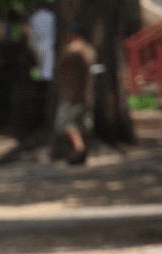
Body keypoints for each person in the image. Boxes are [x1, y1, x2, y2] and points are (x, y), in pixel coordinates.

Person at [54, 28, 96, 163]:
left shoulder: (70, 51)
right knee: (82, 124)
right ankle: (79, 149)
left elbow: (59, 68)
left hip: (71, 96)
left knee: (65, 125)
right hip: (87, 95)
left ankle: (79, 148)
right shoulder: (90, 50)